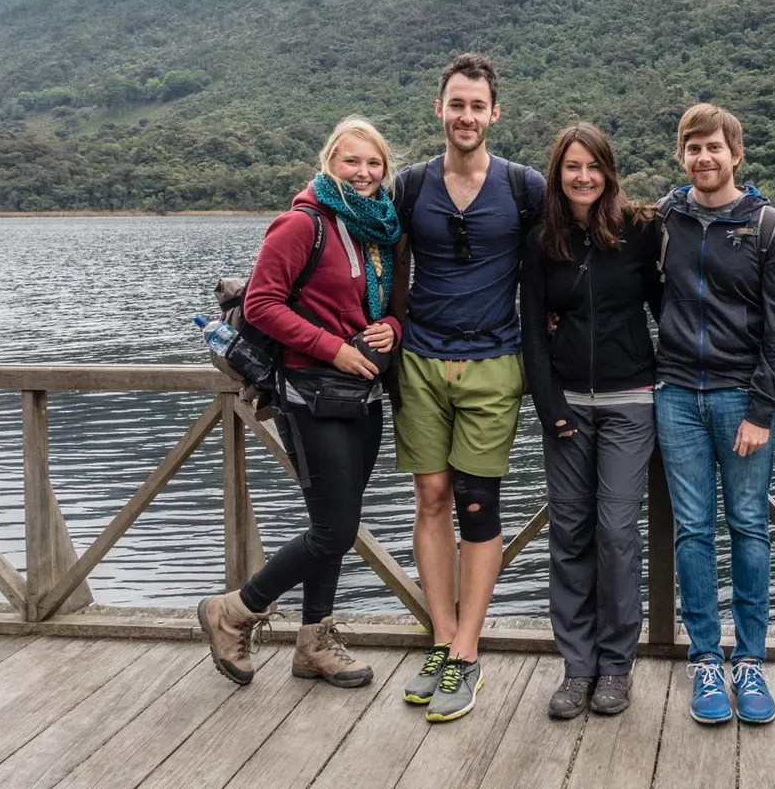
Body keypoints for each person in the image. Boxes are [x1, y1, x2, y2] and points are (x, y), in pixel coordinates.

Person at [198, 116, 402, 690]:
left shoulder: (377, 229)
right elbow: (262, 305)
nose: (362, 173)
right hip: (310, 395)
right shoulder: (300, 224)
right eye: (351, 161)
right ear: (328, 163)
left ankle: (314, 642)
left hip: (361, 394)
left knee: (334, 523)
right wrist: (332, 349)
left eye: (373, 163)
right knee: (334, 532)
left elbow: (373, 306)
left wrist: (390, 327)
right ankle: (235, 610)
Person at [389, 52, 544, 723]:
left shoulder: (523, 187)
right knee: (430, 495)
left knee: (478, 506)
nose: (467, 116)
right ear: (439, 108)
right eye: (457, 103)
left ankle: (468, 653)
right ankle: (442, 636)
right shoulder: (408, 185)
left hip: (493, 362)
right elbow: (377, 264)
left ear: (494, 113)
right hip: (420, 359)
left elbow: (557, 265)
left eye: (478, 106)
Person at [654, 103, 775, 725]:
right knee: (692, 529)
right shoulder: (665, 219)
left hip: (743, 397)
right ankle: (706, 661)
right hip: (677, 395)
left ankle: (752, 660)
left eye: (714, 147)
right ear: (681, 155)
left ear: (735, 154)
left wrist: (762, 408)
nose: (704, 157)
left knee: (747, 526)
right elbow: (634, 288)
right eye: (693, 148)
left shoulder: (767, 226)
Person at [520, 122, 662, 720]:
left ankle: (615, 666)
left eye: (593, 167)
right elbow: (530, 329)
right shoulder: (541, 240)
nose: (583, 177)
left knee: (616, 533)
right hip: (569, 410)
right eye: (572, 167)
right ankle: (577, 668)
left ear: (608, 172)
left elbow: (668, 306)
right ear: (558, 173)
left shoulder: (639, 231)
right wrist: (549, 408)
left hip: (631, 404)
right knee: (569, 536)